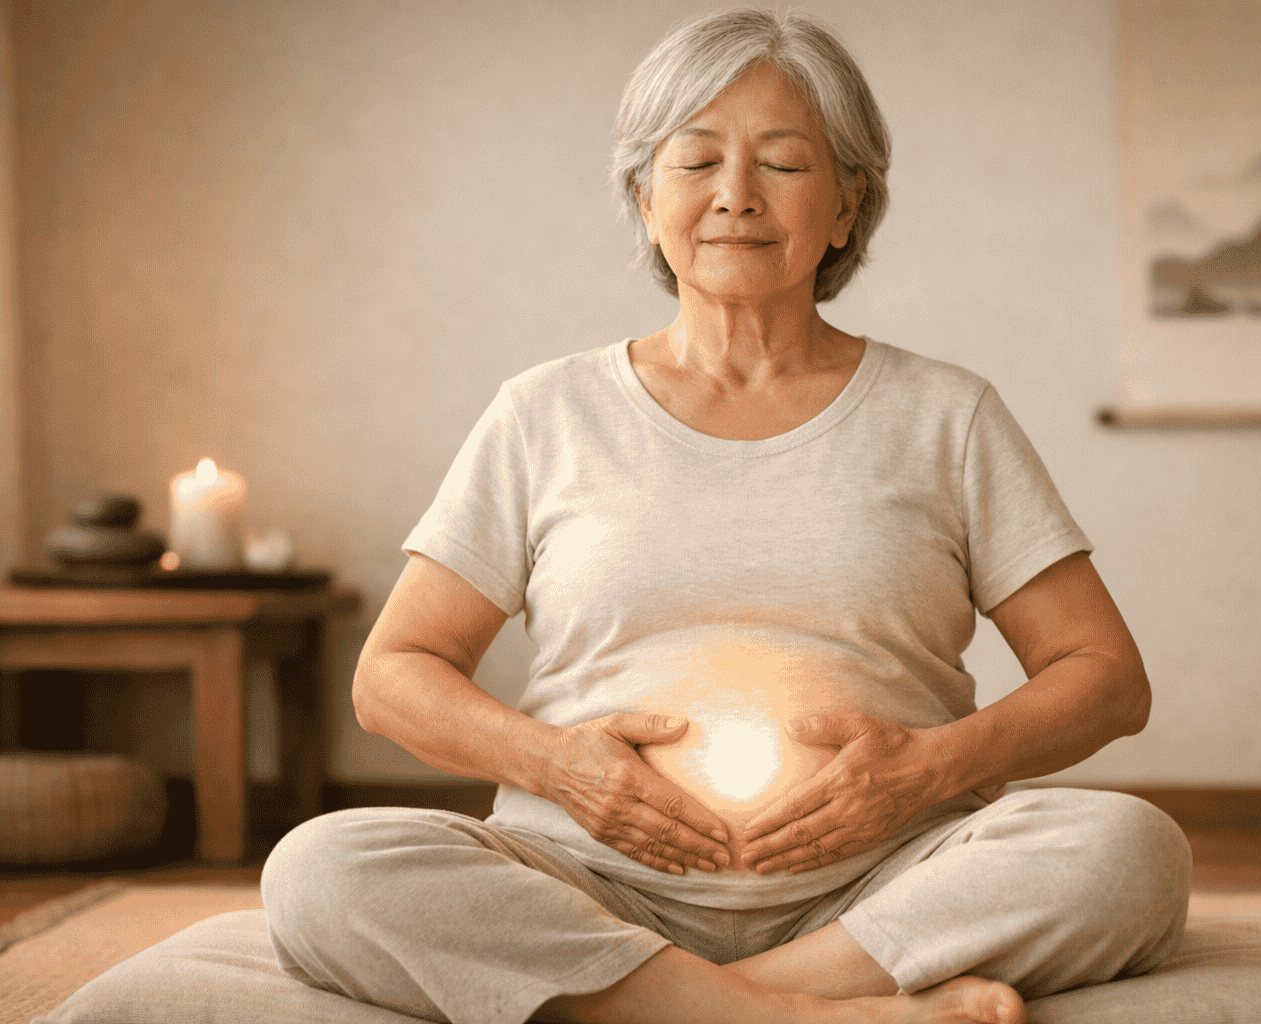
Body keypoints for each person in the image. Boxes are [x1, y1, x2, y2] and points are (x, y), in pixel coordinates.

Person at [261, 10, 1191, 1024]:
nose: (735, 196)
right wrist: (558, 766)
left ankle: (695, 1006)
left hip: (883, 883)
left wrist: (928, 769)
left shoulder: (947, 415)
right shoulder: (544, 412)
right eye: (697, 160)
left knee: (1130, 851)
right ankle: (812, 1016)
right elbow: (392, 677)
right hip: (586, 880)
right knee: (322, 866)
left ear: (847, 206)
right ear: (645, 198)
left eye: (784, 165)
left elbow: (1106, 678)